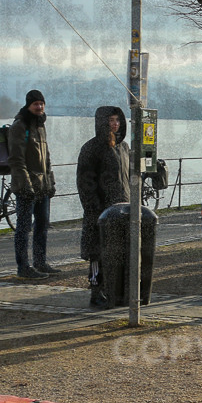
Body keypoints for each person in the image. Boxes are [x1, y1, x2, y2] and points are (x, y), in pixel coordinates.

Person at [76, 106, 130, 308]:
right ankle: (96, 294)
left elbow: (128, 179)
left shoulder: (124, 148)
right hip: (99, 213)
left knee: (119, 253)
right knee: (97, 255)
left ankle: (115, 292)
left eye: (117, 120)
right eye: (110, 120)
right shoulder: (91, 149)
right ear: (102, 122)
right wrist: (94, 210)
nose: (115, 124)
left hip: (122, 210)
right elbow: (85, 184)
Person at [9, 89, 58, 279]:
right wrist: (26, 186)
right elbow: (16, 160)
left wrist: (50, 182)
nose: (39, 107)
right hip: (26, 187)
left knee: (42, 225)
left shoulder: (40, 126)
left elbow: (46, 158)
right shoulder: (19, 126)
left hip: (43, 186)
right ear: (28, 105)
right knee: (23, 227)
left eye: (41, 104)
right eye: (36, 104)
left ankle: (40, 262)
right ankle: (24, 267)